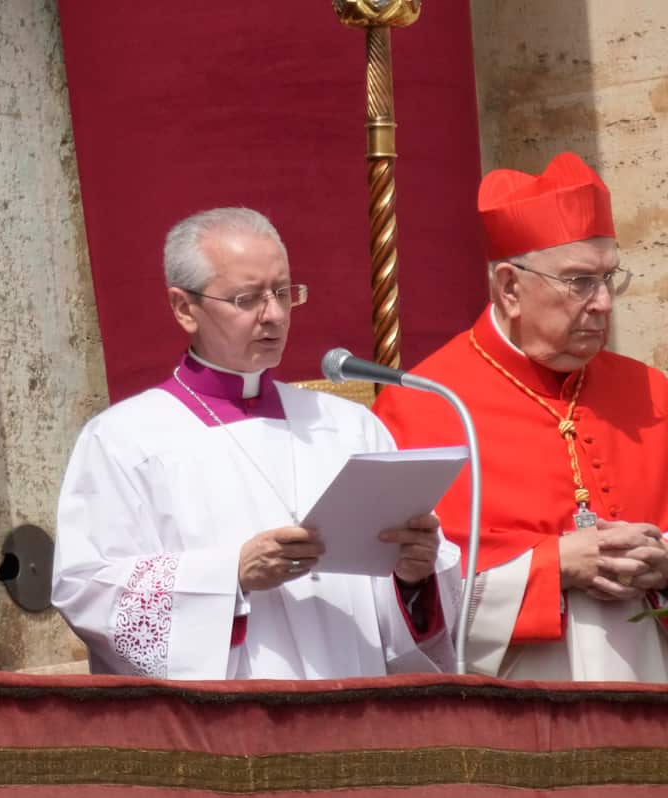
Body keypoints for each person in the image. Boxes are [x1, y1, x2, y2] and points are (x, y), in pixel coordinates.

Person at [52, 207, 459, 680]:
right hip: (229, 727)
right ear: (185, 308)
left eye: (284, 293)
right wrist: (232, 575)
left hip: (356, 703)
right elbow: (87, 591)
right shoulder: (123, 439)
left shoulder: (350, 428)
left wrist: (414, 576)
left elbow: (415, 599)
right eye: (247, 299)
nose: (275, 315)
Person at [373, 152, 668, 681]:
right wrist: (553, 567)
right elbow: (408, 598)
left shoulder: (650, 391)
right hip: (518, 696)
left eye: (609, 278)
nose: (603, 303)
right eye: (579, 282)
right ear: (510, 288)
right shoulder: (425, 405)